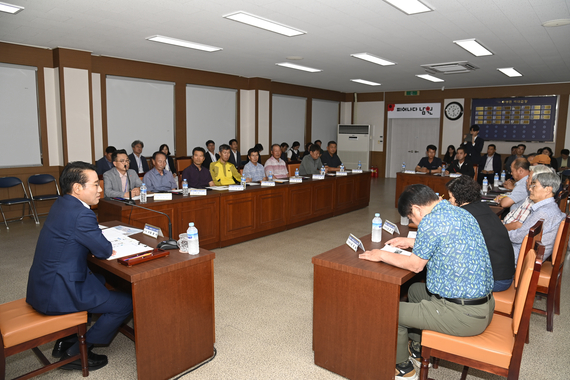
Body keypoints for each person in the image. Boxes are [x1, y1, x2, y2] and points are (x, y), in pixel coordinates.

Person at [359, 184, 493, 380]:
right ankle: (417, 347)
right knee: (414, 291)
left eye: (412, 218)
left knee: (391, 311)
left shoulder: (431, 221)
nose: (415, 222)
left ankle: (403, 369)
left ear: (415, 209)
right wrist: (411, 242)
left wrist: (380, 255)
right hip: (484, 306)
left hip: (463, 315)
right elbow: (448, 239)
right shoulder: (459, 212)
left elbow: (415, 266)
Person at [26, 161, 132, 371]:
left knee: (102, 280)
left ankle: (66, 338)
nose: (100, 189)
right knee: (125, 303)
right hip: (59, 290)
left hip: (44, 282)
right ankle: (77, 351)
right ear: (77, 188)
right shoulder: (82, 214)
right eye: (95, 184)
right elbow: (103, 250)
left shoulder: (62, 203)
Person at [446, 175, 515, 292]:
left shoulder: (465, 216)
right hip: (505, 274)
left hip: (495, 280)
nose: (449, 201)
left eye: (450, 197)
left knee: (444, 274)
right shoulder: (483, 207)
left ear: (459, 197)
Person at [508, 171, 565, 262]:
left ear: (548, 190)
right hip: (527, 253)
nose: (530, 189)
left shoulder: (543, 212)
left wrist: (498, 232)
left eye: (534, 186)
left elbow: (517, 237)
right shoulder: (551, 208)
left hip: (521, 256)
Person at [502, 165, 553, 231]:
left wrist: (499, 228)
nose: (526, 180)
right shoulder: (531, 198)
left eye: (529, 177)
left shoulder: (536, 201)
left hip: (509, 234)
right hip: (507, 225)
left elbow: (517, 226)